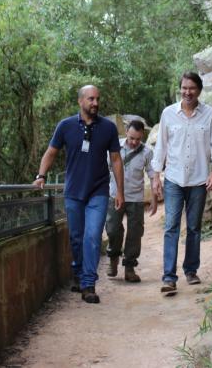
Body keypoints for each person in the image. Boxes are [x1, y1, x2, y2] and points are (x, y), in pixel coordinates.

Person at [34, 85, 124, 304]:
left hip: (99, 191)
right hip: (73, 191)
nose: (95, 103)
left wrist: (120, 191)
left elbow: (115, 160)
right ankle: (78, 271)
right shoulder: (65, 126)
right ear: (80, 101)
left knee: (92, 236)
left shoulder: (108, 128)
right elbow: (51, 152)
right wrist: (41, 175)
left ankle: (88, 284)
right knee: (76, 237)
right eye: (91, 99)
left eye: (97, 99)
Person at [151, 72, 212, 296]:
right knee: (171, 226)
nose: (187, 92)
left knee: (193, 227)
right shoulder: (168, 114)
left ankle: (191, 270)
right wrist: (156, 176)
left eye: (192, 88)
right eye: (184, 88)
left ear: (199, 90)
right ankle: (169, 278)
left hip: (199, 179)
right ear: (179, 89)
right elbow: (161, 146)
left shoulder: (210, 114)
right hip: (173, 178)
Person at [105, 119, 157, 283]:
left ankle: (129, 267)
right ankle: (113, 257)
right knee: (113, 229)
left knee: (135, 233)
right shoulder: (114, 147)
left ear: (142, 136)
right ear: (126, 131)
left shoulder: (147, 152)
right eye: (132, 138)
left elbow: (152, 175)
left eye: (138, 139)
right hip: (114, 195)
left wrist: (154, 201)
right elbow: (104, 169)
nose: (134, 142)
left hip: (135, 198)